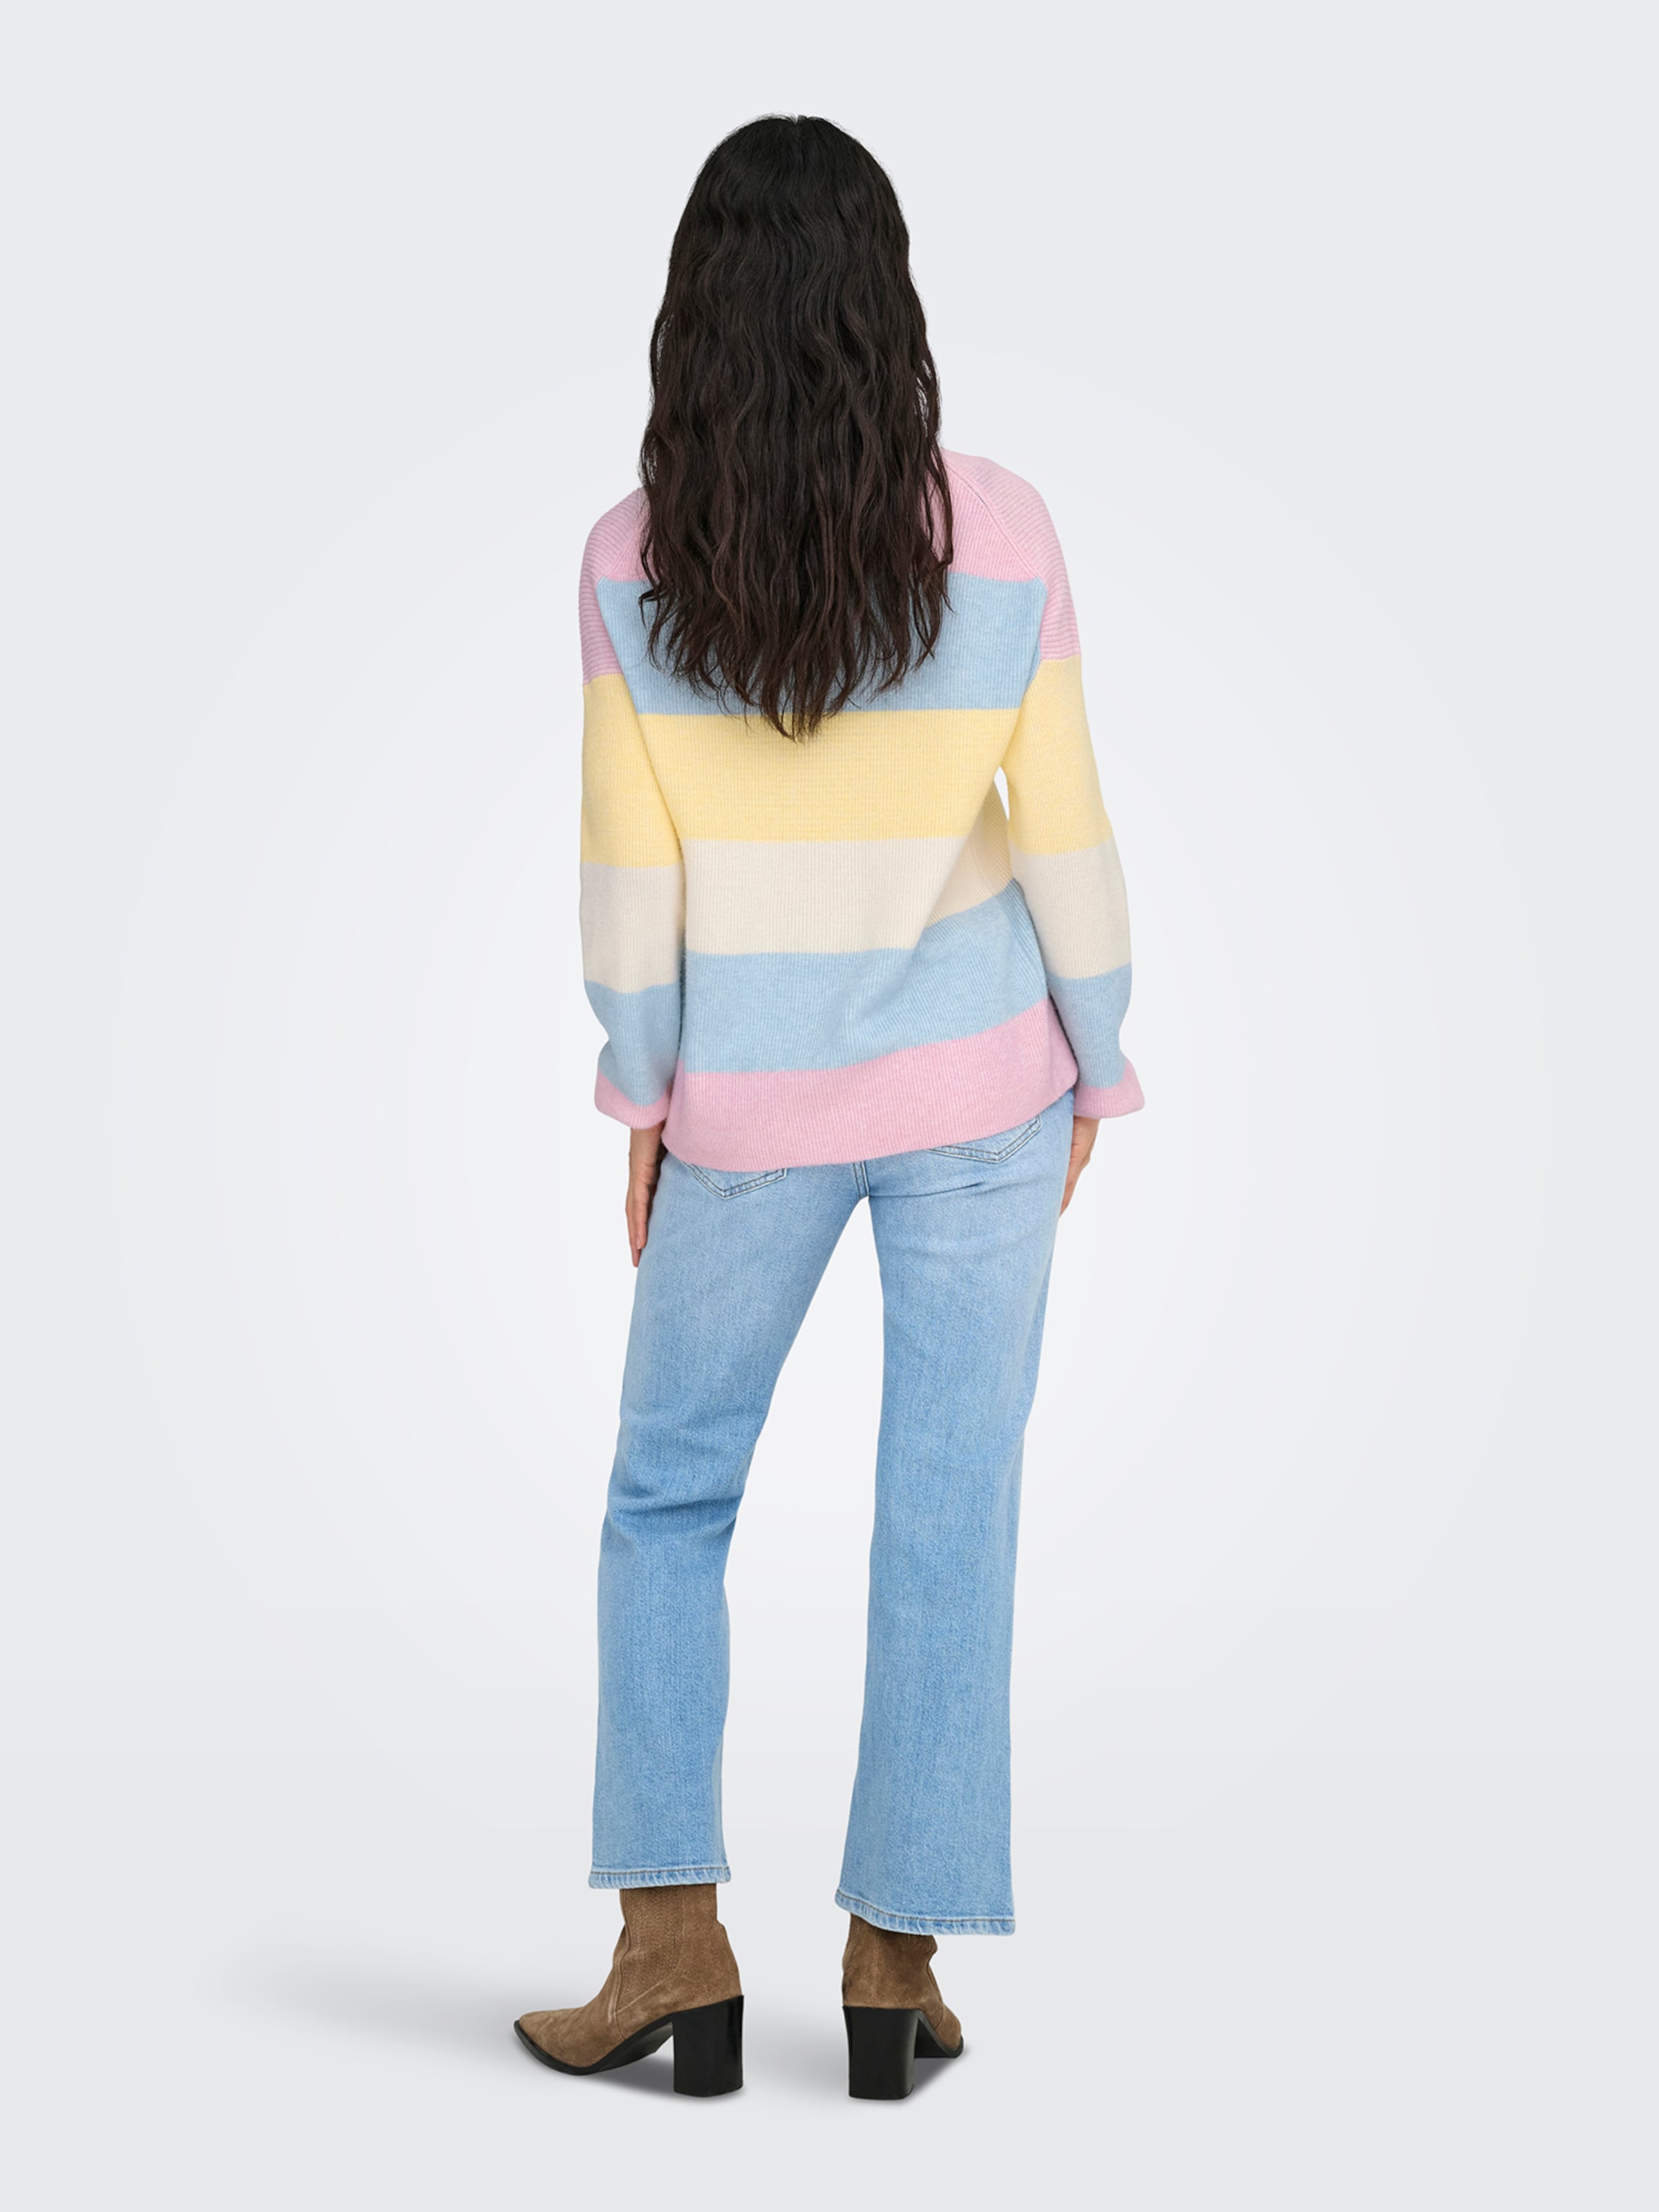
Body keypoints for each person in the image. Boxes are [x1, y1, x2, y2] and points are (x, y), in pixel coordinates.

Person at [515, 114, 1141, 2102]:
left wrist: (643, 1086)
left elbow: (629, 878)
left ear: (691, 321)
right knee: (952, 1511)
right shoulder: (1003, 529)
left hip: (746, 1105)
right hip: (984, 1088)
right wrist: (1102, 1051)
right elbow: (1067, 828)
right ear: (890, 309)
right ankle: (891, 1973)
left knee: (667, 1500)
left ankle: (670, 1950)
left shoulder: (632, 560)